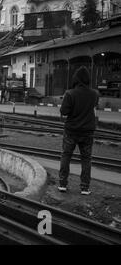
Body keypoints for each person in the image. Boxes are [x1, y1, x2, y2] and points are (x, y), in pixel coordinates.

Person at [59, 66, 99, 196]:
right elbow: (93, 109)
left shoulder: (70, 93)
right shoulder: (94, 94)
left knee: (66, 156)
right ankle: (85, 188)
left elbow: (64, 112)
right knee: (86, 159)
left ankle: (63, 184)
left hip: (71, 131)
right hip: (87, 132)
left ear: (75, 79)